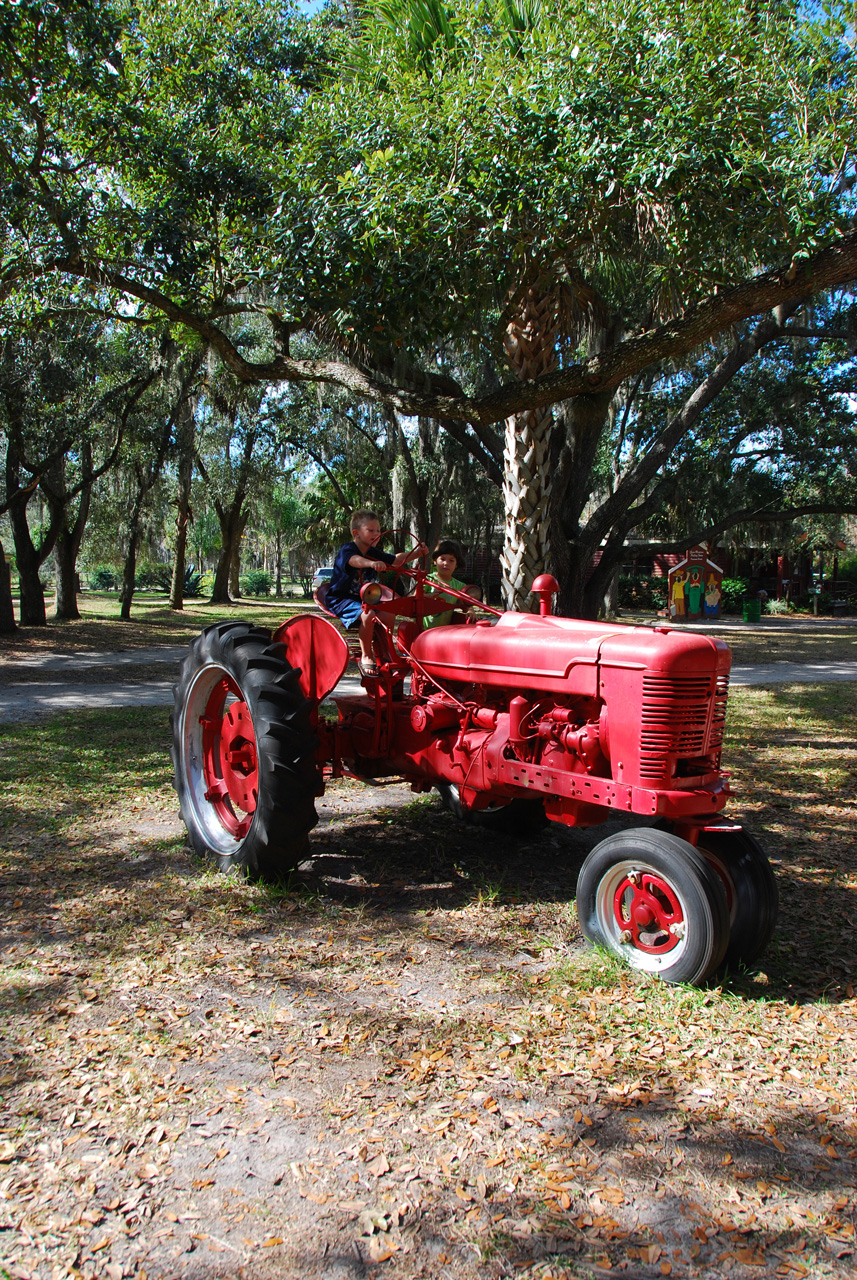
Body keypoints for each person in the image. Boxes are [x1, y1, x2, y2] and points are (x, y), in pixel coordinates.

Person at [326, 510, 427, 675]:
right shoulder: (349, 549)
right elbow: (354, 561)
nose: (376, 534)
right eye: (371, 530)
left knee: (388, 613)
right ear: (356, 533)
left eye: (378, 530)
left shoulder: (372, 551)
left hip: (365, 598)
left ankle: (386, 653)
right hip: (341, 599)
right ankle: (367, 656)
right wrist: (370, 564)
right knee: (369, 614)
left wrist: (416, 553)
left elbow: (396, 560)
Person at [423, 540, 479, 629]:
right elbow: (415, 599)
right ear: (435, 561)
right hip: (423, 631)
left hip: (445, 632)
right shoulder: (427, 580)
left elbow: (466, 605)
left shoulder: (460, 586)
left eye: (451, 560)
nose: (446, 563)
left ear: (456, 564)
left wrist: (471, 611)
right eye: (442, 559)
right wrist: (429, 596)